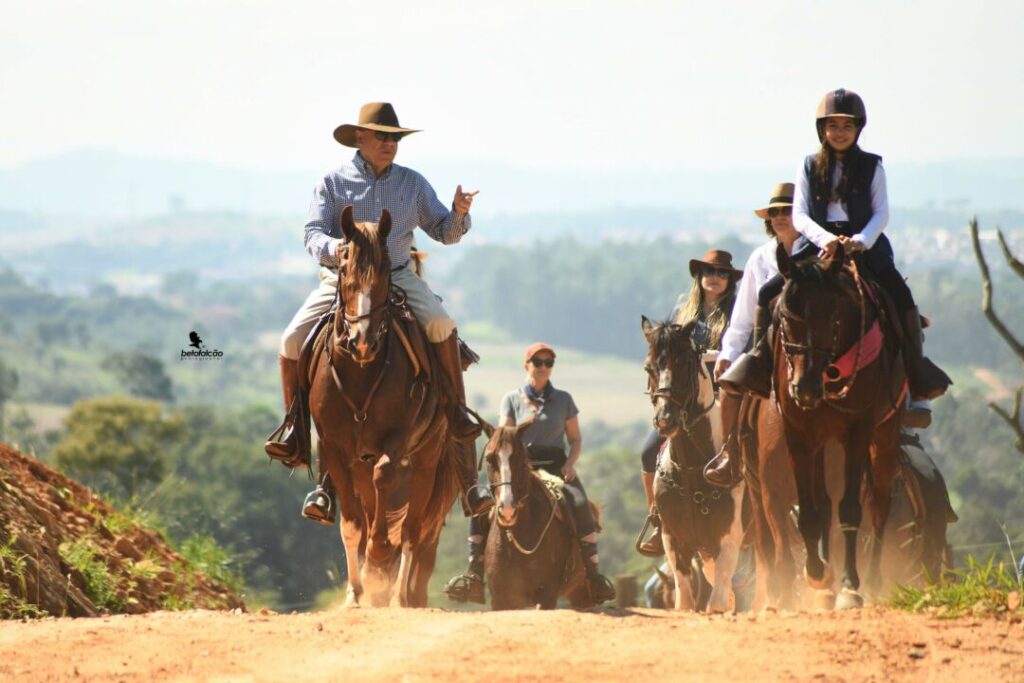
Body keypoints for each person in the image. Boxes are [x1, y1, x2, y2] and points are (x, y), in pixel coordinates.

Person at [263, 102, 494, 522]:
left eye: (395, 138)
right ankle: (296, 429)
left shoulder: (412, 184)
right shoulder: (332, 183)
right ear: (361, 138)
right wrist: (338, 250)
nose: (390, 144)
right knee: (292, 340)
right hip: (344, 279)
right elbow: (312, 234)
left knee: (442, 324)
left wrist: (459, 213)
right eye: (383, 136)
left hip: (398, 276)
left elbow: (444, 232)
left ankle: (457, 414)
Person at [719, 88, 951, 401]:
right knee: (768, 292)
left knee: (900, 293)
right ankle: (760, 361)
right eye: (833, 126)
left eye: (847, 126)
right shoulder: (808, 165)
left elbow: (881, 213)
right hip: (817, 243)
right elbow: (799, 215)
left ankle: (916, 366)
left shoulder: (873, 166)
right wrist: (827, 240)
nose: (839, 133)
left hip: (863, 243)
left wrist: (858, 242)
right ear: (822, 129)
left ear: (857, 129)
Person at [443, 342, 616, 604]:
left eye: (549, 363)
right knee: (481, 504)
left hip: (557, 466)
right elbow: (505, 437)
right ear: (527, 365)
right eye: (538, 362)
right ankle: (473, 573)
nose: (543, 367)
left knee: (580, 505)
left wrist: (570, 463)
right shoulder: (511, 399)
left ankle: (593, 575)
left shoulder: (564, 400)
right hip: (517, 466)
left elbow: (576, 439)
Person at [704, 183, 808, 486]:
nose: (779, 217)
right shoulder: (760, 258)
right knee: (730, 386)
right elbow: (742, 318)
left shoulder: (817, 254)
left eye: (786, 211)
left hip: (808, 348)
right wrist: (728, 354)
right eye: (774, 212)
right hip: (766, 348)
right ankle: (731, 454)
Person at [637, 250, 741, 554]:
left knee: (749, 450)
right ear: (699, 275)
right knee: (647, 453)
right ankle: (658, 518)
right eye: (709, 271)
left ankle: (762, 513)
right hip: (683, 400)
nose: (715, 277)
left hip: (724, 395)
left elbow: (743, 348)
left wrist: (706, 356)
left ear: (729, 280)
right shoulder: (683, 311)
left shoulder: (737, 313)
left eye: (722, 273)